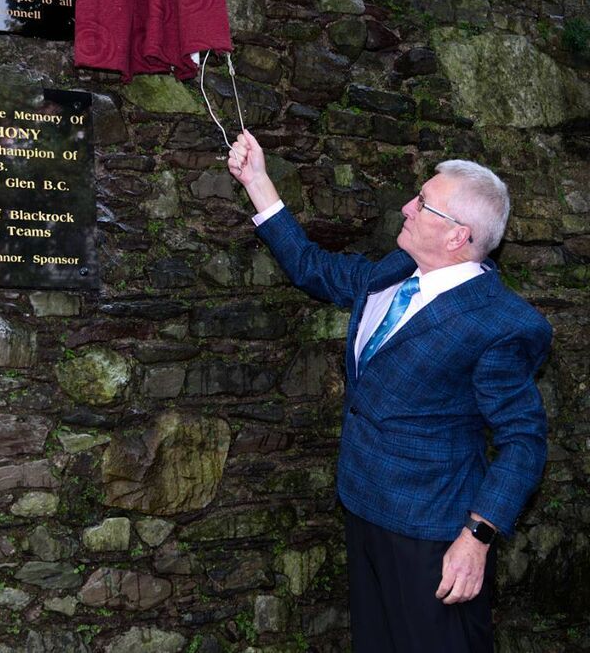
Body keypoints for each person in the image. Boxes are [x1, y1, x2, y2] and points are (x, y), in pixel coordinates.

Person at [226, 129, 550, 653]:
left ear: (456, 236)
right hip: (362, 504)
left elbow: (524, 440)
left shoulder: (501, 324)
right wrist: (258, 182)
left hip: (433, 533)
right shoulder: (395, 270)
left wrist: (477, 538)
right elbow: (312, 267)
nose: (406, 206)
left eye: (422, 203)